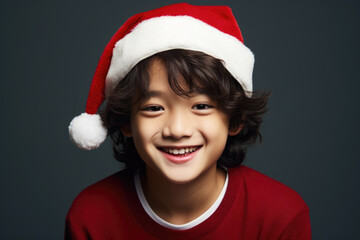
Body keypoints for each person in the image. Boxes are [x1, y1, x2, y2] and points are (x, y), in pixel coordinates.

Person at [66, 3, 311, 239]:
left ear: (234, 119)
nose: (178, 129)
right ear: (126, 122)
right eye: (154, 108)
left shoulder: (280, 216)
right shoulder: (91, 217)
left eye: (201, 106)